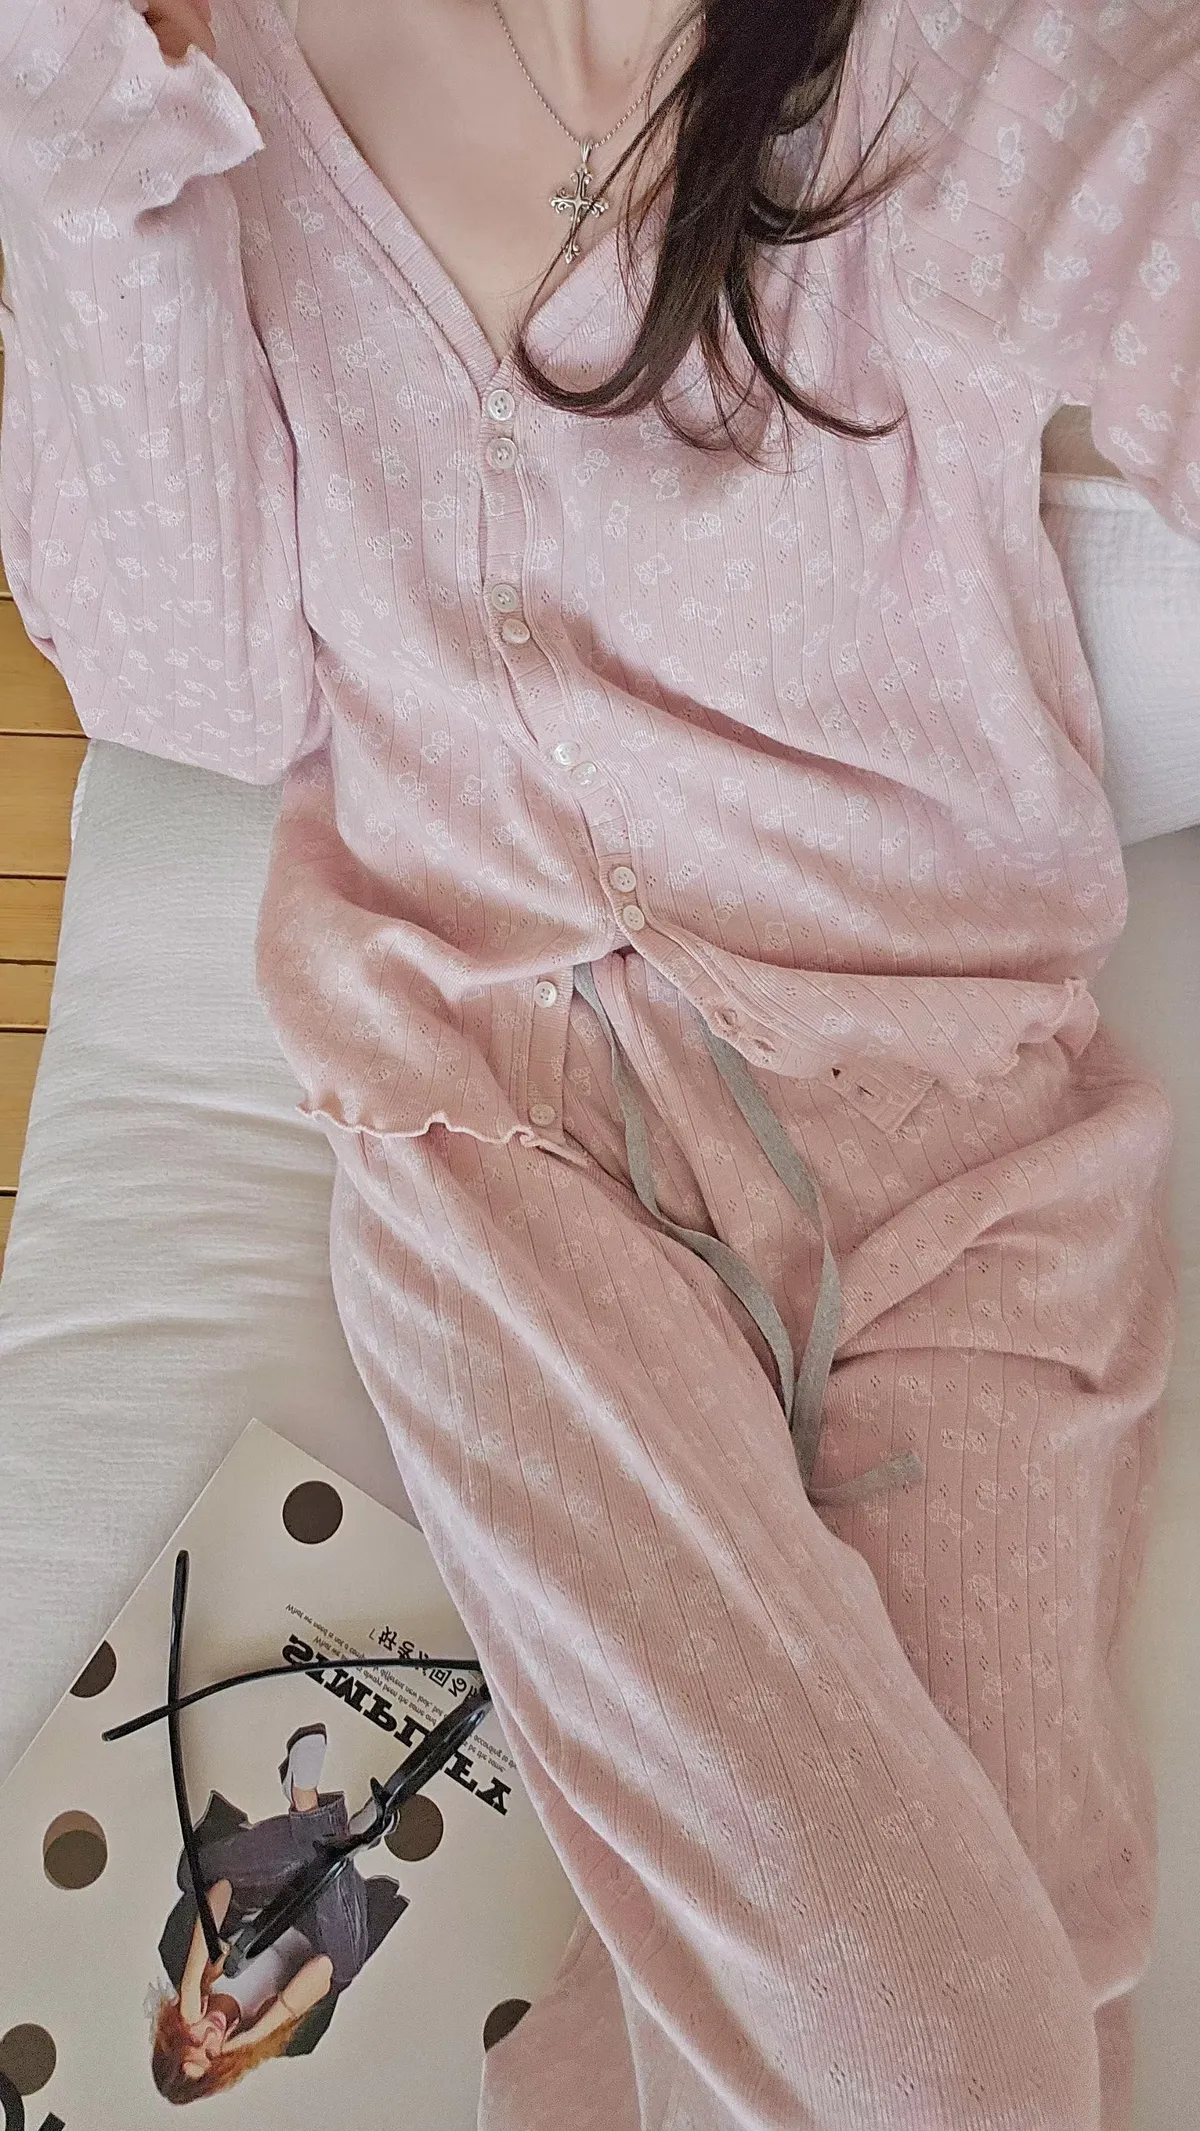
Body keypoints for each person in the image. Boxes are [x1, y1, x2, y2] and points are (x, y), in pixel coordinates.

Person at [0, 2, 1195, 2125]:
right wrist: (77, 110)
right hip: (493, 1146)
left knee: (1012, 1967)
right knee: (956, 2047)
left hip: (965, 1154)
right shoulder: (205, 77)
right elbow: (194, 689)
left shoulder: (947, 53)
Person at [150, 1723, 402, 2102]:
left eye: (193, 2039)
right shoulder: (290, 2041)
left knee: (200, 1875)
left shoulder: (174, 1953)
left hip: (266, 1875)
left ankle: (319, 1814)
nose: (211, 2036)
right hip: (324, 1914)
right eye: (211, 2054)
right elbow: (325, 1968)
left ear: (175, 2028)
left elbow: (221, 1890)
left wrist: (191, 1982)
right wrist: (254, 2035)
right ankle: (324, 1820)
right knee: (346, 1964)